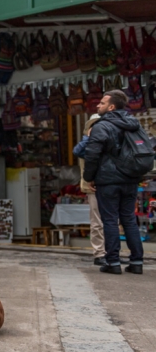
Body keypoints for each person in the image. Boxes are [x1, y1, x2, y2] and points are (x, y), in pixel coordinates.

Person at [83, 90, 145, 275]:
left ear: (111, 107)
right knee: (129, 219)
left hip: (108, 180)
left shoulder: (102, 126)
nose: (98, 105)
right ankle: (137, 262)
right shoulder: (134, 124)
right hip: (130, 179)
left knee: (109, 220)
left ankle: (113, 262)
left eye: (102, 103)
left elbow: (92, 154)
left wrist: (89, 177)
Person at [73, 114, 106, 266]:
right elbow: (78, 151)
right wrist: (88, 137)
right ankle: (100, 253)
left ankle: (111, 252)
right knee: (97, 222)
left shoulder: (109, 140)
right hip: (94, 186)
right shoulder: (87, 143)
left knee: (111, 221)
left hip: (109, 184)